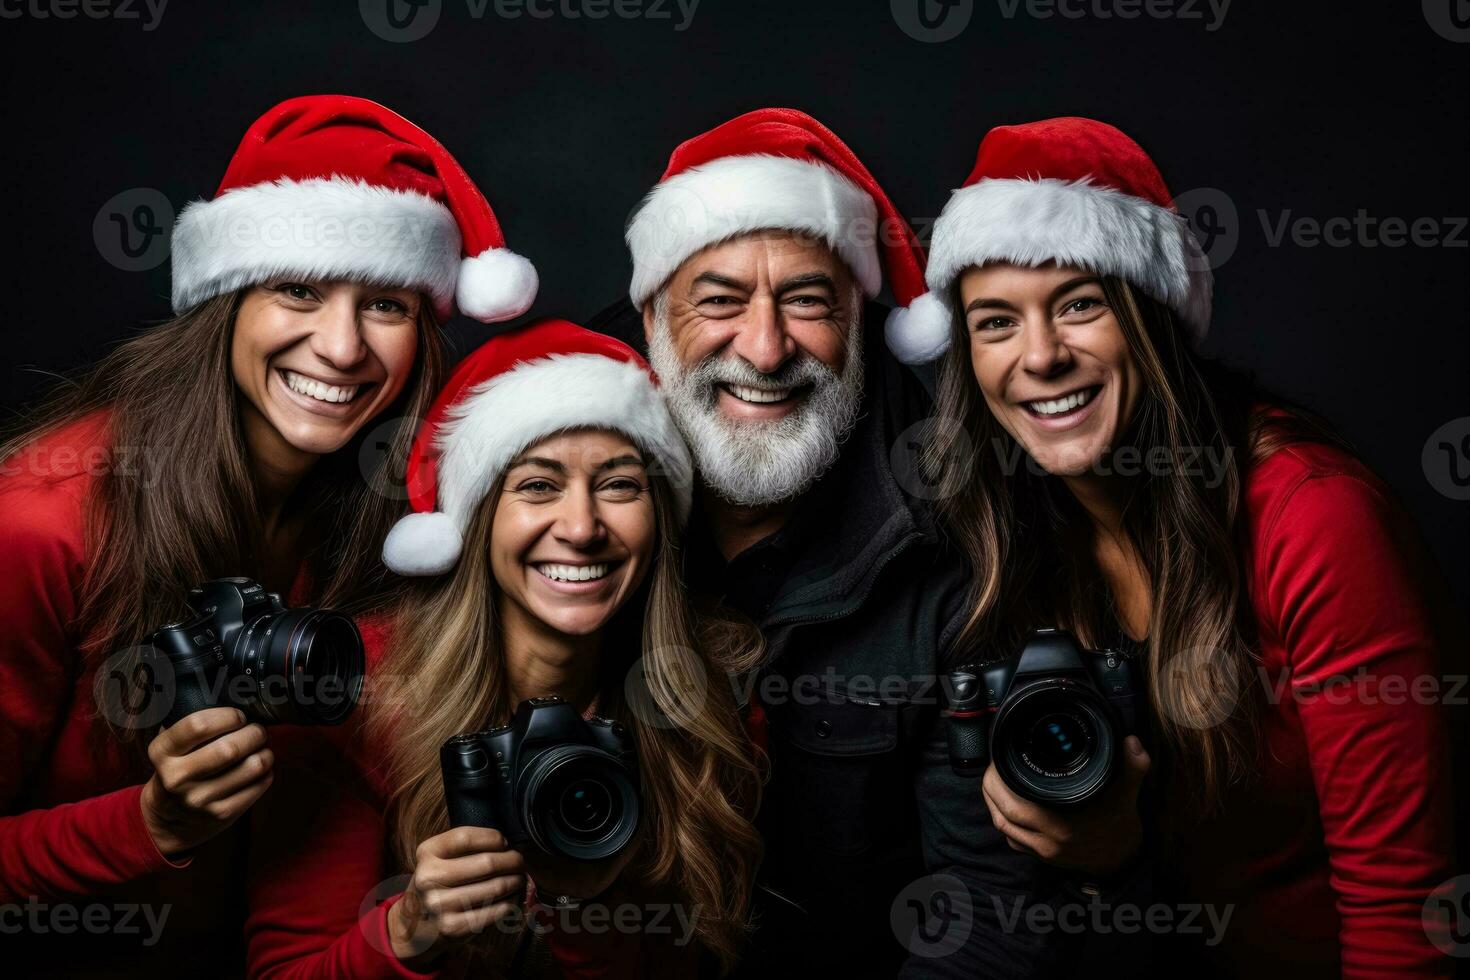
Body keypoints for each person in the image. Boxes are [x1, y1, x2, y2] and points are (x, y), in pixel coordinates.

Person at [885, 116, 1458, 978]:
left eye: (1080, 305)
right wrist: (1103, 855)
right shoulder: (1013, 529)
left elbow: (1404, 913)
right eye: (997, 322)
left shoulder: (1312, 518)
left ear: (1150, 321)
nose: (1040, 357)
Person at [0, 94, 538, 973]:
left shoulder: (404, 525)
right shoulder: (47, 521)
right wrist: (146, 824)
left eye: (387, 306)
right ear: (227, 300)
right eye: (298, 288)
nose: (340, 348)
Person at [588, 107, 1079, 977]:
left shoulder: (963, 537)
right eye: (720, 300)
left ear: (860, 318)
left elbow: (993, 918)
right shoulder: (565, 497)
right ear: (653, 315)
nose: (767, 348)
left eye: (808, 301)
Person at [244, 318, 766, 978]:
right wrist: (406, 931)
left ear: (660, 518)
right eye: (538, 485)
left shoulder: (706, 704)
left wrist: (583, 903)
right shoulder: (348, 693)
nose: (581, 528)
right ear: (478, 517)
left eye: (620, 485)